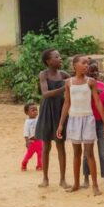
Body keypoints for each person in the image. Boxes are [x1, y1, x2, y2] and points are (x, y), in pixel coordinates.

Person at [56, 55, 104, 196]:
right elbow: (66, 103)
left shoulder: (91, 82)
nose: (86, 65)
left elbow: (97, 102)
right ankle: (76, 184)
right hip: (73, 119)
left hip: (88, 119)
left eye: (87, 63)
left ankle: (95, 186)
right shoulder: (68, 82)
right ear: (75, 65)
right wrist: (61, 124)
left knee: (89, 153)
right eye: (83, 63)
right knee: (76, 153)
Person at [35, 49, 70, 188]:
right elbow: (45, 94)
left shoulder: (63, 74)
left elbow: (76, 81)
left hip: (60, 111)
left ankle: (62, 179)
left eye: (60, 56)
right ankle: (45, 178)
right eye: (57, 57)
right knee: (46, 146)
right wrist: (64, 88)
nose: (60, 58)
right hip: (47, 110)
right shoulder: (43, 74)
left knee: (60, 145)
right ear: (49, 61)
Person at [81, 60, 104, 191]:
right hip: (88, 121)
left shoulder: (102, 85)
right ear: (85, 72)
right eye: (91, 71)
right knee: (87, 152)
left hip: (101, 122)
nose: (94, 73)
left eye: (96, 71)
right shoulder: (83, 85)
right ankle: (86, 178)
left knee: (103, 152)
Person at [21, 103, 43, 171]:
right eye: (33, 110)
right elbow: (26, 133)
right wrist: (27, 141)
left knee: (40, 154)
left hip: (39, 140)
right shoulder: (27, 122)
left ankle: (39, 165)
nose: (35, 111)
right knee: (29, 155)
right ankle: (24, 163)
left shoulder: (39, 120)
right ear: (27, 112)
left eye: (36, 110)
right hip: (32, 142)